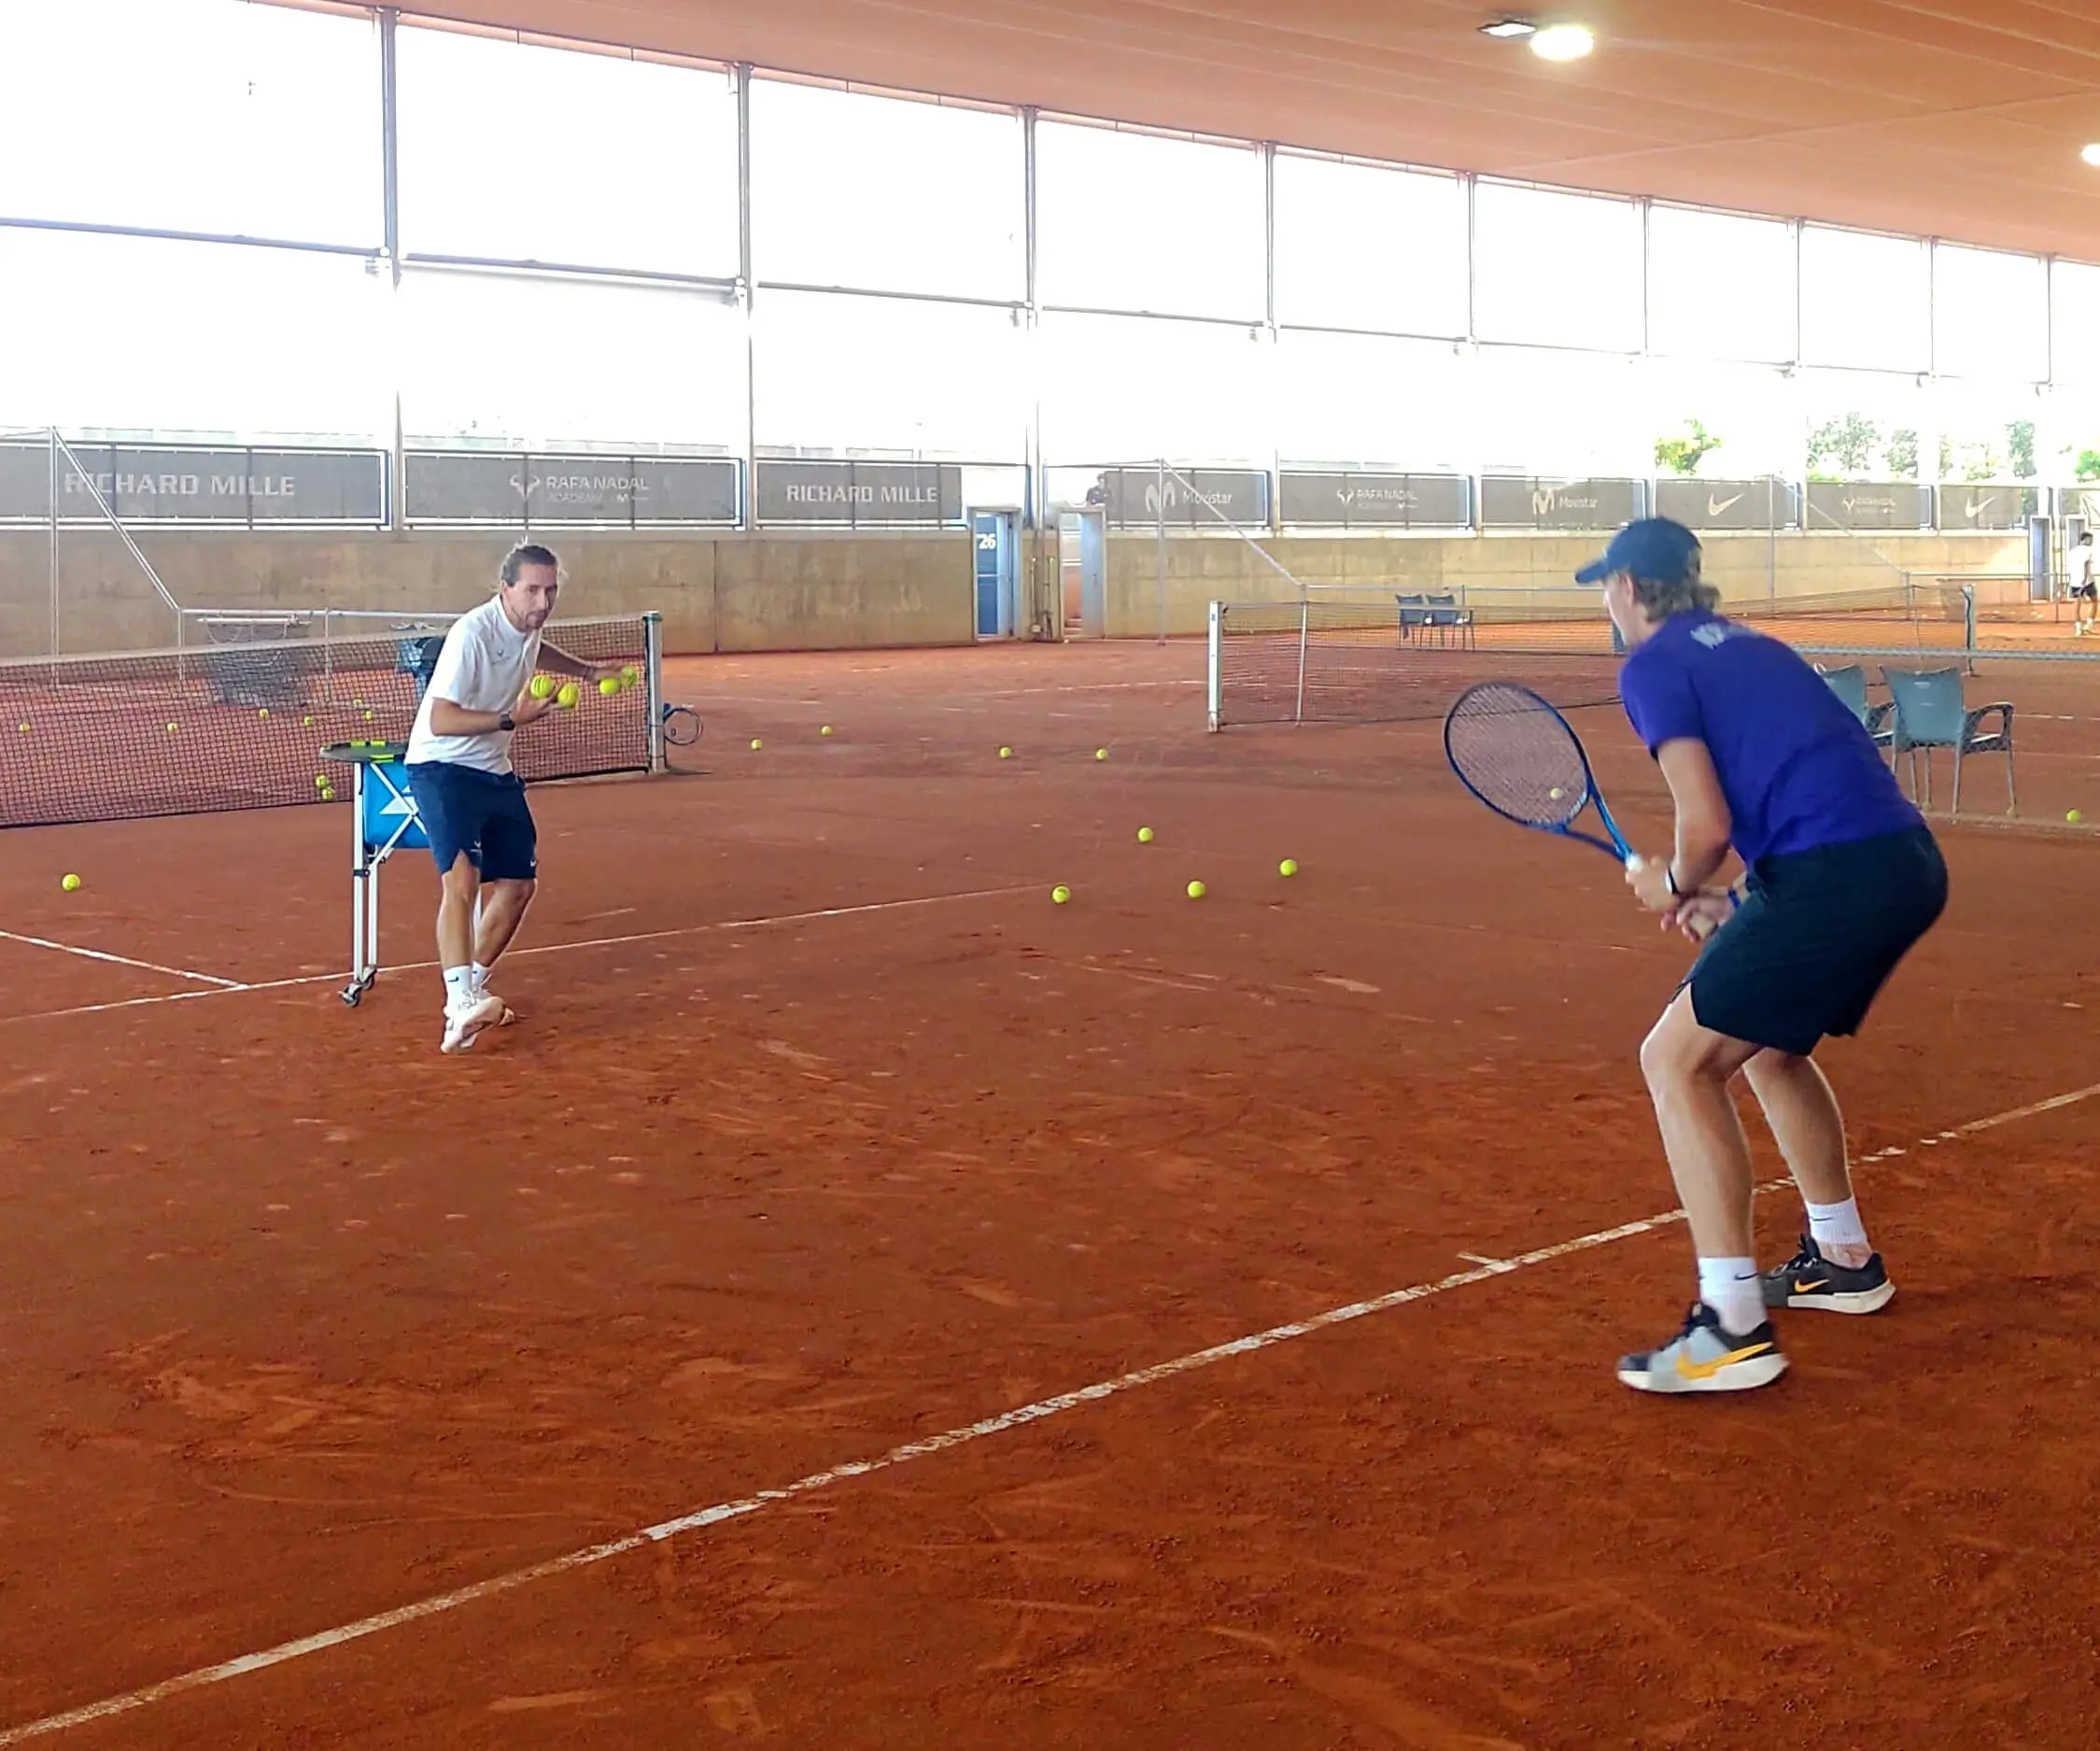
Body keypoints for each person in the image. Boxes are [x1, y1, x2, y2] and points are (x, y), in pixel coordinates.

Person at [1578, 518, 1949, 1394]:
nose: (1607, 604)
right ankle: (1841, 1256)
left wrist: (1673, 882)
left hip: (1831, 875)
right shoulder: (1752, 646)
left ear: (1626, 587)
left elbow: (1704, 826)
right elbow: (1812, 790)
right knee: (1770, 1049)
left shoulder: (1652, 665)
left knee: (1675, 1061)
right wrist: (1737, 900)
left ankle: (1730, 1325)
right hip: (1900, 863)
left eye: (1607, 589)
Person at [404, 543, 622, 1053]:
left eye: (551, 591)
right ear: (504, 589)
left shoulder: (527, 623)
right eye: (532, 590)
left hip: (493, 769)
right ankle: (458, 1003)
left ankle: (473, 990)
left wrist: (588, 672)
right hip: (442, 766)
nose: (543, 602)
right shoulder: (471, 635)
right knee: (462, 879)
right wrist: (510, 720)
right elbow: (440, 720)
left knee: (519, 886)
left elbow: (534, 647)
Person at [2073, 530, 2095, 635]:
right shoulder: (2088, 550)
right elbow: (2086, 565)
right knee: (2094, 601)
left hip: (2075, 581)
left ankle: (2079, 629)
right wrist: (2084, 579)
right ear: (2085, 539)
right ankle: (2088, 626)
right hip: (2087, 581)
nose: (2091, 541)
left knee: (2077, 605)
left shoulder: (2072, 551)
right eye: (2090, 539)